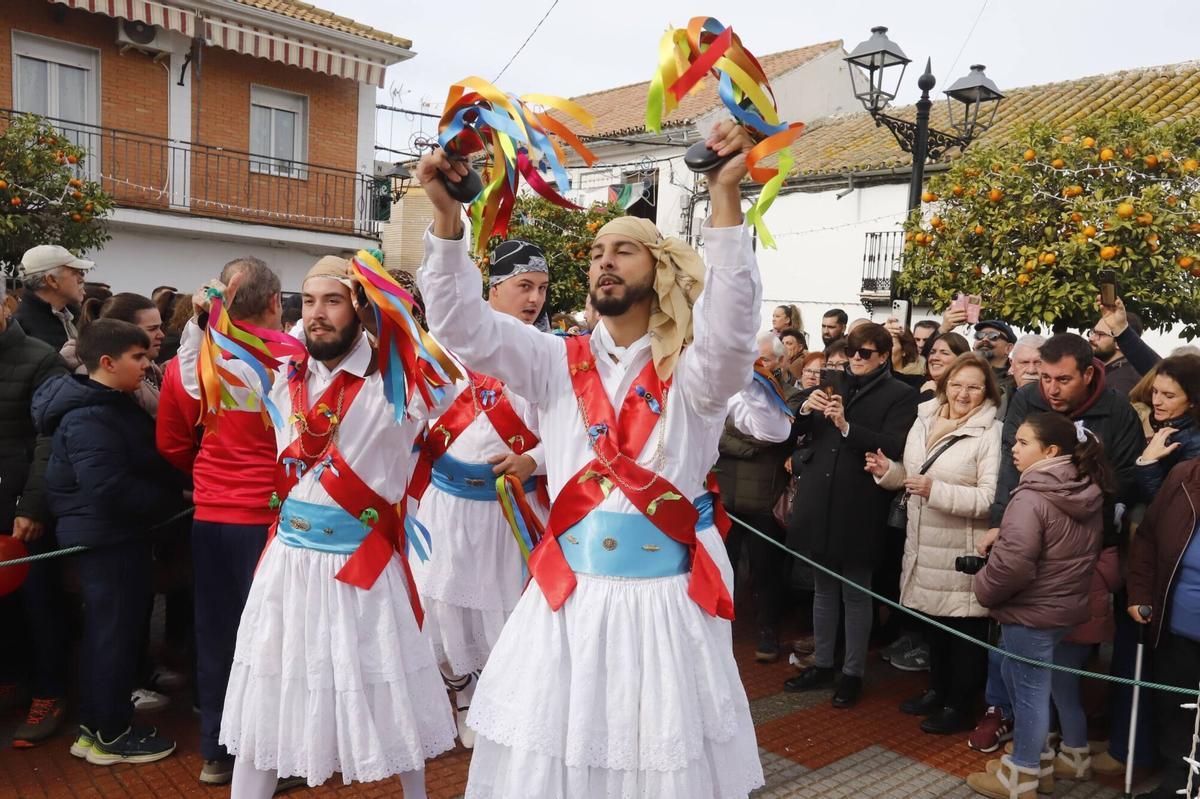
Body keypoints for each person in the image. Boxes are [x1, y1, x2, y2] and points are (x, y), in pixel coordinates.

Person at [417, 120, 766, 798]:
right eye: (599, 251)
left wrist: (726, 199)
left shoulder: (694, 373)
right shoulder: (551, 361)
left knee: (652, 766)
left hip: (663, 603)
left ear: (658, 268)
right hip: (567, 598)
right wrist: (447, 218)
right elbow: (461, 326)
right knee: (557, 765)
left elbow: (730, 330)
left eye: (625, 250)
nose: (605, 259)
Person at [185, 256, 458, 798]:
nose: (316, 314)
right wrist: (203, 324)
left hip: (361, 564)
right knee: (269, 688)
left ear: (359, 308)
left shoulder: (395, 383)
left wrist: (394, 318)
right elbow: (201, 385)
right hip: (287, 561)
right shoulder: (283, 375)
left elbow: (447, 383)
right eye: (308, 302)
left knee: (389, 686)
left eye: (332, 301)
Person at [407, 239, 552, 749]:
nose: (534, 298)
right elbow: (410, 418)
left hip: (511, 512)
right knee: (446, 604)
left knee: (506, 609)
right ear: (493, 289)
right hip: (445, 506)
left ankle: (500, 700)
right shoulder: (445, 350)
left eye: (541, 288)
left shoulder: (549, 355)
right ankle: (463, 693)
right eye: (523, 286)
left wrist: (535, 460)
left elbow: (575, 433)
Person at [970, 333, 1141, 754]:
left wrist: (1065, 523)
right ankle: (1016, 723)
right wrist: (1001, 521)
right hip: (1030, 534)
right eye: (1044, 378)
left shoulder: (1117, 411)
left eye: (1062, 380)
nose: (1051, 389)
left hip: (1085, 550)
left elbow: (1124, 482)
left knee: (1061, 663)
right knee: (1010, 652)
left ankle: (1036, 758)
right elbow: (1013, 465)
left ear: (1088, 373)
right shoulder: (1028, 398)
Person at [31, 319, 184, 765]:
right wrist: (169, 499)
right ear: (106, 362)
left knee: (109, 633)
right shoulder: (89, 414)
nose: (147, 363)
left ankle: (96, 729)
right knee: (112, 636)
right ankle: (112, 734)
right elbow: (108, 486)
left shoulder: (106, 403)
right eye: (138, 357)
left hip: (112, 535)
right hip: (107, 538)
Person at [163, 256, 285, 786]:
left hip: (210, 516)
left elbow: (171, 442)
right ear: (277, 304)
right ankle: (268, 759)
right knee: (273, 642)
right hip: (271, 523)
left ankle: (217, 752)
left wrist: (209, 479)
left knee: (216, 636)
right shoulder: (293, 363)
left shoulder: (189, 364)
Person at [966, 412, 1109, 799]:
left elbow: (1013, 564)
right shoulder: (1084, 487)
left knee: (1028, 694)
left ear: (1050, 451)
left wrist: (982, 587)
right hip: (1063, 608)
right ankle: (1040, 763)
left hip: (1031, 612)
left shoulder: (1032, 496)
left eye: (1023, 442)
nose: (1014, 448)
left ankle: (1023, 774)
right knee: (1035, 686)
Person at [785, 322, 919, 708]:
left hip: (860, 503)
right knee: (822, 589)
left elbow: (895, 444)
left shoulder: (900, 395)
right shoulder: (831, 382)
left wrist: (847, 427)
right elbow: (799, 435)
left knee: (857, 594)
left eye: (865, 353)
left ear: (882, 356)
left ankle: (853, 673)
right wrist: (805, 412)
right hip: (819, 498)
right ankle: (823, 663)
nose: (856, 359)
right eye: (852, 351)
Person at [866, 354, 1002, 735]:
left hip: (961, 550)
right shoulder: (924, 417)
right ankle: (937, 691)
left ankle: (959, 706)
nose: (963, 393)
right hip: (923, 541)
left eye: (974, 387)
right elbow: (913, 475)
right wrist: (888, 472)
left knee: (964, 633)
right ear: (944, 385)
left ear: (986, 391)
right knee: (936, 627)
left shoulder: (990, 433)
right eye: (957, 384)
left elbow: (990, 498)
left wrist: (935, 490)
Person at [0, 277, 71, 748]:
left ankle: (50, 693)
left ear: (7, 305)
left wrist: (33, 503)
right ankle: (13, 677)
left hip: (21, 508)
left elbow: (51, 440)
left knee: (40, 604)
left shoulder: (39, 358)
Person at [1127, 456, 1200, 799]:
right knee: (1175, 709)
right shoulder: (1184, 475)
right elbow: (1148, 539)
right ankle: (1176, 786)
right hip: (1177, 626)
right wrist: (1140, 593)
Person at [61, 293, 165, 417]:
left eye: (160, 327)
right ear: (122, 329)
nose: (161, 335)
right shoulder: (98, 378)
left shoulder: (149, 370)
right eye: (152, 329)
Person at [1134, 354, 1200, 500]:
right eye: (1154, 391)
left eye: (1169, 396)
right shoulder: (1172, 426)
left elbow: (1172, 507)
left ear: (1193, 400)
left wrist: (1147, 464)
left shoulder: (1195, 445)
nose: (1156, 401)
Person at [14, 245, 93, 351]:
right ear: (52, 281)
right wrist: (60, 360)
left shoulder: (75, 316)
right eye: (75, 273)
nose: (81, 279)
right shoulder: (21, 329)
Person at [1089, 308, 1144, 397]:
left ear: (1121, 341)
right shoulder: (1108, 373)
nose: (1091, 338)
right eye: (1093, 332)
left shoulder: (1123, 381)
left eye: (1100, 334)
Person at [917, 332, 971, 400]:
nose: (934, 357)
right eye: (932, 352)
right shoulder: (918, 386)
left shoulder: (967, 394)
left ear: (961, 359)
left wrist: (928, 394)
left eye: (945, 353)